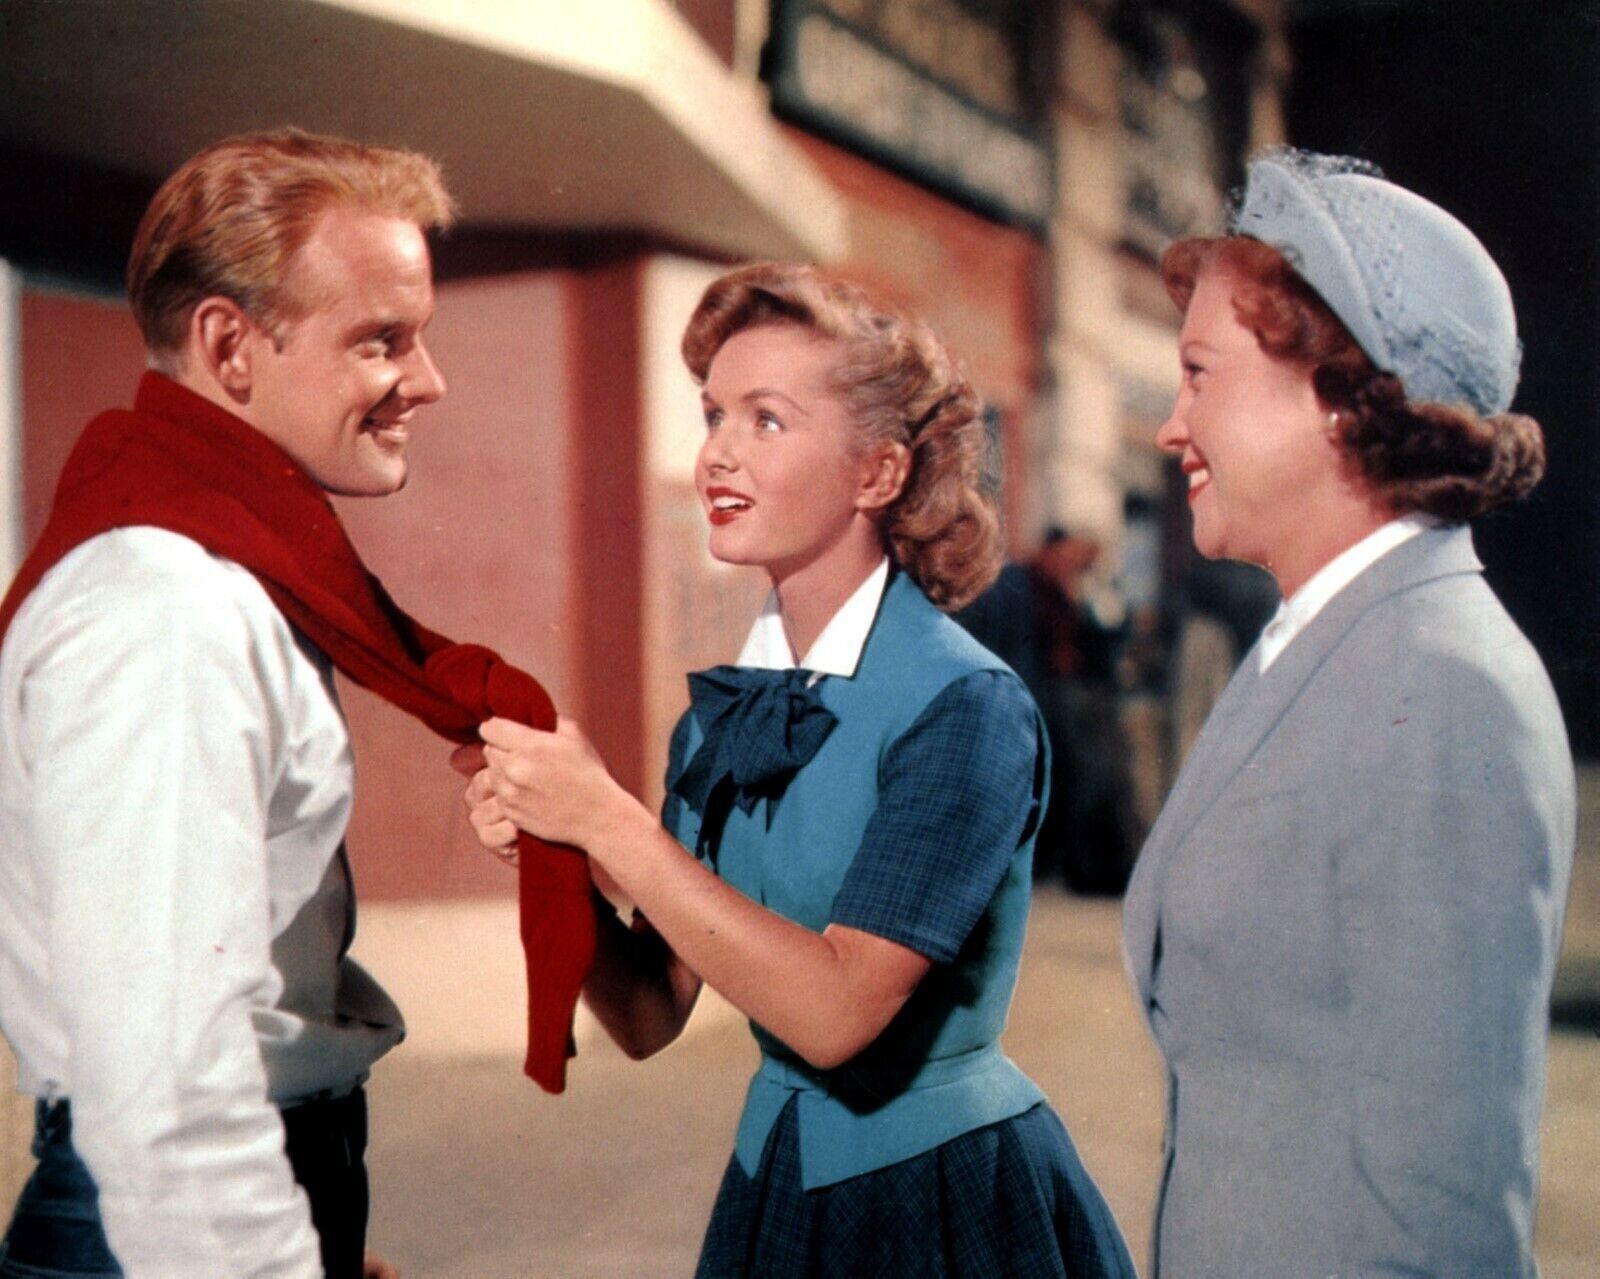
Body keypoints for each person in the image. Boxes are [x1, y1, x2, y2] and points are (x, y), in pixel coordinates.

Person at [462, 264, 1135, 1276]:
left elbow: (833, 1015)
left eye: (766, 420)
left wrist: (611, 824)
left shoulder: (965, 706)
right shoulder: (724, 717)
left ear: (876, 473)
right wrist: (552, 850)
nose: (717, 454)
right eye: (712, 415)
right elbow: (648, 1014)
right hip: (773, 1178)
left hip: (943, 1198)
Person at [0, 129, 463, 1278]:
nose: (428, 380)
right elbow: (162, 1075)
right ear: (229, 344)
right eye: (382, 340)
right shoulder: (167, 610)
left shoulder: (214, 576)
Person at [1121, 149, 1575, 1276]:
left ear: (1335, 397)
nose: (1170, 427)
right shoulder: (1322, 639)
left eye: (1199, 374)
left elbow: (1445, 1199)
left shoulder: (1441, 686)